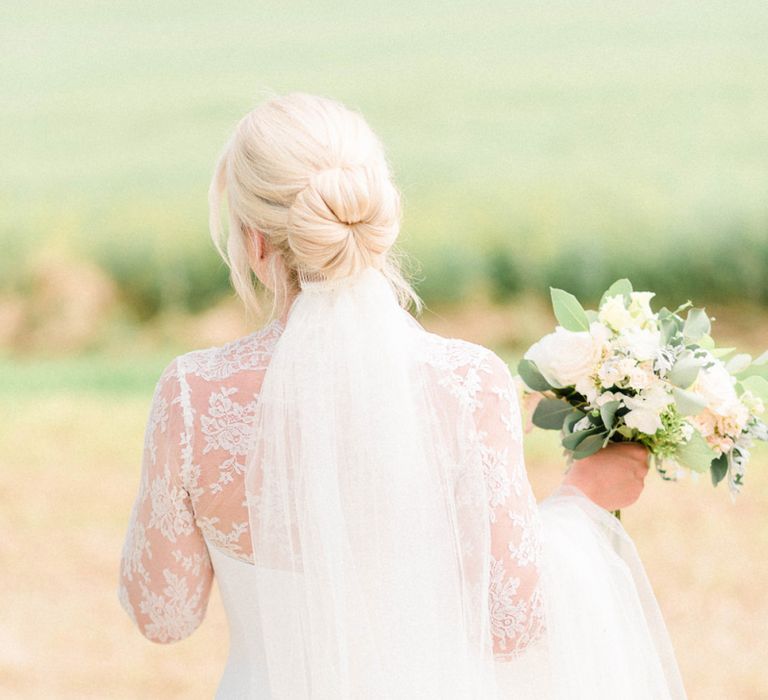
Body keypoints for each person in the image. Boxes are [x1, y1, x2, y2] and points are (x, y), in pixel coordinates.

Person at [118, 93, 686, 698]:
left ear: (255, 242)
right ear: (375, 222)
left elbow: (164, 616)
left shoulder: (192, 395)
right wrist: (581, 498)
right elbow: (514, 624)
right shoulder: (468, 384)